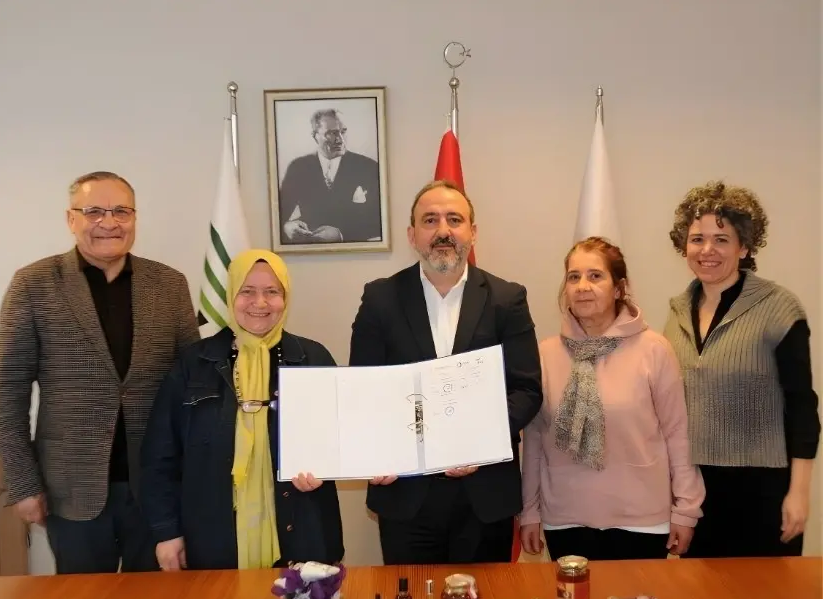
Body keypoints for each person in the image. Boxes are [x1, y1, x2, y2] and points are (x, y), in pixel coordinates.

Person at [0, 171, 199, 574]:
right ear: (71, 219)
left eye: (121, 211)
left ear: (134, 218)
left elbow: (192, 386)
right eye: (94, 212)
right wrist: (23, 483)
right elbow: (8, 392)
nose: (109, 222)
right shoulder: (33, 284)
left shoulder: (170, 285)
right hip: (70, 491)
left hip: (158, 489)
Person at [349, 179, 543, 565]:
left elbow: (526, 389)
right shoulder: (380, 299)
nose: (443, 230)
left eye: (454, 219)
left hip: (484, 495)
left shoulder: (507, 299)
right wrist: (378, 450)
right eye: (430, 220)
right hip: (406, 497)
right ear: (412, 235)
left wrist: (476, 442)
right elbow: (363, 388)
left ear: (473, 232)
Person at [140, 249, 344, 571]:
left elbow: (343, 439)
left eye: (271, 291)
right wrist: (166, 531)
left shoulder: (313, 358)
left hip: (303, 534)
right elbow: (160, 456)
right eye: (247, 291)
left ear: (285, 298)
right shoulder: (193, 364)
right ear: (231, 295)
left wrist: (325, 467)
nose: (259, 303)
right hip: (212, 540)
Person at [519, 237, 705, 561]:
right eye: (574, 277)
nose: (582, 286)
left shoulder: (654, 350)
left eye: (595, 276)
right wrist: (529, 511)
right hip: (565, 518)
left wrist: (686, 509)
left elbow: (678, 434)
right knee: (573, 597)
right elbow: (534, 440)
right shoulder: (546, 354)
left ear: (619, 289)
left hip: (642, 520)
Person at [663, 180, 820, 558]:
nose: (707, 250)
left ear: (744, 247)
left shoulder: (779, 308)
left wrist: (798, 493)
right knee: (698, 594)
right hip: (695, 490)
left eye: (721, 239)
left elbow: (802, 406)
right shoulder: (675, 313)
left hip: (762, 490)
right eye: (697, 239)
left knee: (765, 595)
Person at [279, 108, 382, 244]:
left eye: (343, 132)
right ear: (315, 136)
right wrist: (287, 226)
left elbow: (380, 222)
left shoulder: (369, 167)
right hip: (309, 251)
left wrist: (341, 234)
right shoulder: (298, 168)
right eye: (331, 133)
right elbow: (278, 216)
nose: (340, 140)